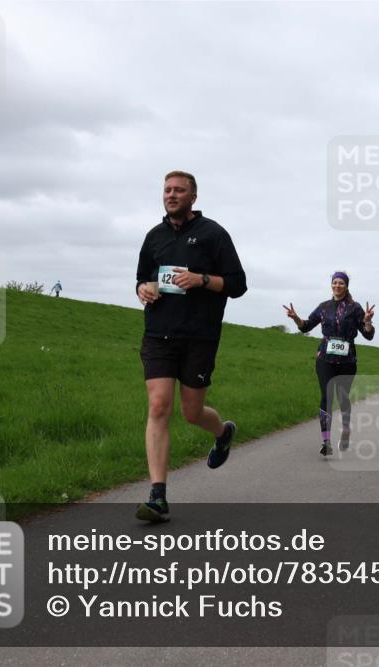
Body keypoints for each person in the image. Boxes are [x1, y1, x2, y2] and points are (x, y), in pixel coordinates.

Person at [133, 170, 247, 522]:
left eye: (179, 190)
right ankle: (157, 496)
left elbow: (238, 284)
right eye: (167, 189)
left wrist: (202, 280)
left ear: (193, 197)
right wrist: (143, 289)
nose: (171, 194)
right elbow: (141, 278)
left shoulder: (213, 234)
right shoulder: (154, 237)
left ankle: (223, 432)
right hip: (158, 334)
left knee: (191, 412)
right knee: (158, 405)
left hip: (199, 336)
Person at [284, 272, 375, 456]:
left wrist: (367, 321)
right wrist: (295, 317)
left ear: (346, 286)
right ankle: (326, 441)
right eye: (335, 282)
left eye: (341, 283)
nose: (337, 285)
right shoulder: (324, 307)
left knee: (342, 398)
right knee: (326, 396)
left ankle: (346, 429)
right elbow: (306, 326)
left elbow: (368, 335)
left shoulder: (355, 308)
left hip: (347, 360)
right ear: (331, 285)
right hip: (325, 358)